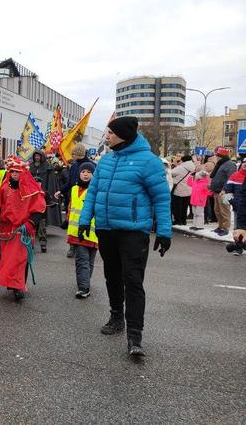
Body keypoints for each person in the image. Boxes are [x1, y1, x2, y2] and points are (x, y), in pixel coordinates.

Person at [78, 116, 171, 358]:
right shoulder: (106, 161)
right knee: (112, 276)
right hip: (106, 229)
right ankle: (116, 316)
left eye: (110, 132)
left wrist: (163, 231)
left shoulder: (149, 162)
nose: (106, 136)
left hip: (133, 232)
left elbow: (161, 199)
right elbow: (93, 194)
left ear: (124, 135)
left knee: (133, 281)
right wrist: (84, 220)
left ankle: (135, 336)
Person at [0, 155, 46, 301]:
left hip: (23, 228)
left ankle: (18, 286)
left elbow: (39, 210)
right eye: (12, 171)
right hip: (6, 228)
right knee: (7, 258)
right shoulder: (4, 187)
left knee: (20, 259)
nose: (14, 174)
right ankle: (11, 283)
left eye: (17, 171)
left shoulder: (31, 189)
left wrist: (30, 224)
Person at [56, 143, 95, 258]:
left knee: (83, 222)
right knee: (73, 223)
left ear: (78, 154)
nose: (72, 155)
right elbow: (70, 182)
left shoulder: (92, 166)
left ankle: (85, 246)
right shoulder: (74, 166)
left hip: (86, 198)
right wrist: (61, 191)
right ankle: (72, 247)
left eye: (73, 153)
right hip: (73, 197)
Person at [67, 162, 99, 298]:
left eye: (89, 172)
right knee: (82, 260)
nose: (85, 174)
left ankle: (84, 285)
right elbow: (71, 208)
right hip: (77, 232)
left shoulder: (96, 190)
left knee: (87, 261)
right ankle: (84, 286)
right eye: (83, 171)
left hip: (93, 232)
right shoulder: (74, 189)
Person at [28, 149, 62, 253]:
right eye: (35, 156)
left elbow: (51, 184)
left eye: (38, 156)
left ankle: (43, 243)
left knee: (42, 223)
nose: (37, 158)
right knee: (31, 223)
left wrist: (49, 198)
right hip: (32, 199)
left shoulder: (48, 168)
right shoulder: (31, 167)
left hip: (42, 198)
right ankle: (31, 244)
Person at [209, 147, 237, 236]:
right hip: (217, 191)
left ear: (221, 156)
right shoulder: (221, 164)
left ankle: (225, 228)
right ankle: (220, 226)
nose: (216, 157)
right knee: (217, 210)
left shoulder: (230, 164)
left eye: (217, 155)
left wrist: (225, 189)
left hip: (225, 192)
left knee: (224, 210)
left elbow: (230, 178)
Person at [170, 155, 195, 225]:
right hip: (189, 189)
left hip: (179, 189)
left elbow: (171, 173)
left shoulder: (181, 167)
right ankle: (184, 220)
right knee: (185, 206)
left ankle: (178, 220)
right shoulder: (193, 167)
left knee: (177, 206)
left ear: (183, 160)